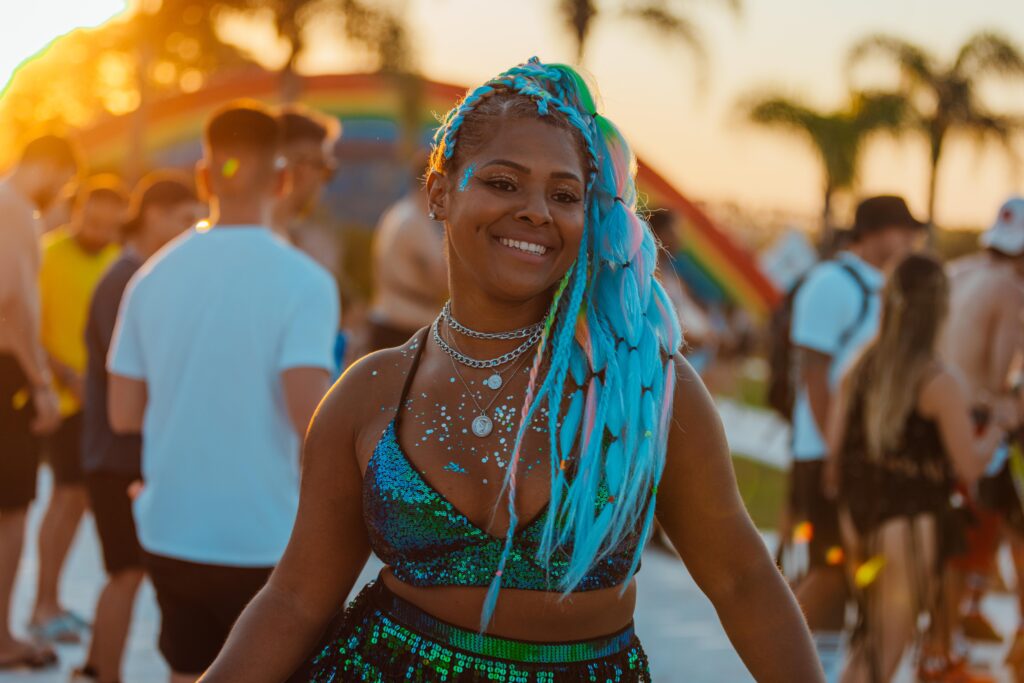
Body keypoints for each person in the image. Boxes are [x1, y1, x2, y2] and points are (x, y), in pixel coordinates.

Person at [201, 58, 822, 683]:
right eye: (503, 182)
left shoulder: (647, 390)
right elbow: (296, 600)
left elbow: (742, 581)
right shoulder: (367, 394)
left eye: (564, 195)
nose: (535, 212)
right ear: (440, 190)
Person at [107, 103, 339, 683]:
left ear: (204, 177)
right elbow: (310, 418)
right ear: (282, 179)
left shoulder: (150, 277)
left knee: (185, 672)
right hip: (262, 538)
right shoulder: (305, 282)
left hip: (170, 530)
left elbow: (122, 413)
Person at [829, 254, 1013, 682]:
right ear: (939, 309)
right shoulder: (937, 381)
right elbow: (969, 467)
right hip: (909, 528)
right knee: (885, 652)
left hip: (857, 520)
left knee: (867, 645)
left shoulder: (860, 367)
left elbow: (834, 458)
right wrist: (999, 424)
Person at [788, 195, 926, 676]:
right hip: (825, 453)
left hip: (856, 459)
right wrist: (834, 455)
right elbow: (814, 373)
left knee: (846, 575)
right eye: (902, 230)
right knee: (829, 570)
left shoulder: (882, 285)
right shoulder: (832, 283)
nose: (911, 240)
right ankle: (776, 656)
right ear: (872, 232)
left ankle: (809, 665)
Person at [72, 173, 202, 683]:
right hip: (115, 457)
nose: (192, 233)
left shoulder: (141, 275)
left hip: (130, 455)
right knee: (124, 575)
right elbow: (136, 380)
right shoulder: (126, 279)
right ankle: (98, 672)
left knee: (133, 574)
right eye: (184, 220)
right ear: (153, 215)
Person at [30, 176, 127, 644]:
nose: (99, 231)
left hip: (101, 408)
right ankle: (41, 606)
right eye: (92, 219)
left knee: (81, 504)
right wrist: (67, 376)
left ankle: (50, 602)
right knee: (65, 500)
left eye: (110, 225)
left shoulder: (116, 264)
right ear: (76, 210)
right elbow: (23, 320)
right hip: (63, 401)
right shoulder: (46, 254)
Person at [0, 134, 80, 670]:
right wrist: (43, 385)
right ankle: (2, 640)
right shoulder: (14, 208)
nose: (61, 193)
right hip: (8, 376)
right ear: (49, 166)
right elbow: (10, 304)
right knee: (10, 512)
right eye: (65, 180)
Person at [940, 196, 1024, 660]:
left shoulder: (960, 272)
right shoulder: (1011, 290)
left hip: (942, 416)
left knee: (958, 532)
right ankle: (951, 647)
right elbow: (999, 378)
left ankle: (954, 628)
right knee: (996, 528)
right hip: (977, 424)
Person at [363, 151, 448, 353]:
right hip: (401, 328)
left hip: (390, 321)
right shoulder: (414, 222)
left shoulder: (400, 213)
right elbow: (443, 279)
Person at [271, 106, 342, 279]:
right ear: (298, 167)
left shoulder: (283, 238)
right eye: (325, 169)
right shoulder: (278, 249)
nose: (324, 184)